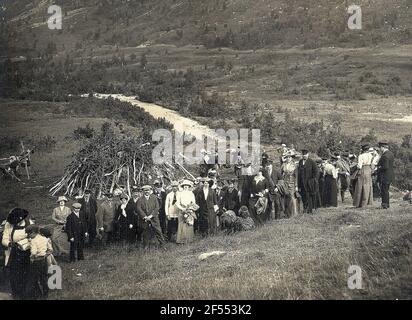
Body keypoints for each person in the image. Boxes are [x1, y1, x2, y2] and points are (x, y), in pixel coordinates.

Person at [1, 208, 33, 299]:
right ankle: (15, 294)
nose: (16, 223)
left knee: (25, 274)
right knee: (14, 275)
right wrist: (10, 244)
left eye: (18, 221)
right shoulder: (8, 224)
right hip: (13, 253)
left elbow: (33, 237)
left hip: (26, 253)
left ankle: (24, 294)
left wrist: (26, 243)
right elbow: (4, 239)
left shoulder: (29, 224)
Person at [136, 185, 165, 249]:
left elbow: (157, 208)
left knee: (158, 231)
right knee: (145, 232)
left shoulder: (154, 198)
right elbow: (138, 209)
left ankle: (162, 245)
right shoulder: (140, 199)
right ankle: (145, 245)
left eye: (148, 190)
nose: (147, 192)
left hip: (154, 218)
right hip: (145, 219)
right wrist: (145, 217)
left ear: (150, 191)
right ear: (143, 191)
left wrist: (151, 216)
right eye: (145, 190)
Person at [26, 225, 51, 299]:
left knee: (33, 278)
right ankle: (45, 293)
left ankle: (34, 295)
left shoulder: (33, 241)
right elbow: (50, 249)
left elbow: (33, 252)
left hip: (36, 261)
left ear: (33, 232)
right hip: (43, 259)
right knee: (43, 277)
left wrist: (31, 258)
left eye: (29, 234)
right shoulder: (44, 238)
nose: (29, 236)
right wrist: (45, 254)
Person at [175, 180, 198, 244]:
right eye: (184, 186)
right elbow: (177, 203)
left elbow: (194, 203)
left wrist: (190, 209)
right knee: (182, 224)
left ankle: (189, 240)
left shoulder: (191, 193)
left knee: (189, 224)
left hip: (189, 210)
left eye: (187, 186)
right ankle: (181, 240)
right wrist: (182, 208)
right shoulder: (179, 193)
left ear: (189, 186)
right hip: (182, 210)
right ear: (183, 186)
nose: (186, 187)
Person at [298, 149, 319, 214]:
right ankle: (305, 208)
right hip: (302, 182)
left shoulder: (312, 162)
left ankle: (310, 210)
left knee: (309, 196)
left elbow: (316, 172)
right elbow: (299, 172)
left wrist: (312, 180)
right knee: (303, 196)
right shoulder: (300, 162)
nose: (304, 156)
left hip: (309, 183)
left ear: (308, 154)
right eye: (303, 154)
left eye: (305, 154)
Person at [377, 142, 395, 209]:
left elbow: (385, 167)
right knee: (386, 190)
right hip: (390, 175)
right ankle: (386, 204)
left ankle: (384, 205)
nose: (379, 149)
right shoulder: (391, 154)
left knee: (384, 191)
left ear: (382, 147)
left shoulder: (385, 155)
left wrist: (378, 168)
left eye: (380, 147)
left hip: (385, 175)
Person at [281, 151, 299, 218]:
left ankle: (294, 214)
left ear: (291, 158)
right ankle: (286, 213)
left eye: (289, 157)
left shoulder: (294, 165)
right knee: (286, 198)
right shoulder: (283, 165)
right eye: (287, 157)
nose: (288, 158)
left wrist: (296, 185)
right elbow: (281, 174)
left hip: (292, 183)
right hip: (285, 183)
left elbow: (296, 176)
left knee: (292, 198)